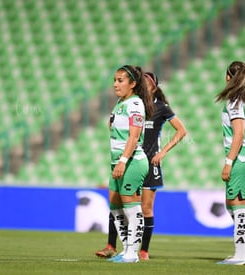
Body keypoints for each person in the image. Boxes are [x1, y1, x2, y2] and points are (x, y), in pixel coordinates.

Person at [95, 71, 187, 261]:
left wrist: (163, 152)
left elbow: (181, 130)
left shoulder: (158, 107)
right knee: (118, 203)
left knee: (143, 208)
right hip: (127, 159)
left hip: (143, 161)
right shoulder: (126, 103)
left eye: (147, 81)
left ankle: (140, 250)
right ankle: (117, 246)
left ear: (154, 86)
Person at [104, 65, 154, 263]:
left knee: (132, 208)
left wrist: (123, 161)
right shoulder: (120, 103)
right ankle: (126, 249)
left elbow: (134, 137)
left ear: (132, 84)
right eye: (115, 80)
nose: (115, 84)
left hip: (132, 162)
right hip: (117, 161)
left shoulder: (135, 104)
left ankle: (133, 253)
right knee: (115, 206)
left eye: (120, 80)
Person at [215, 61, 245, 265]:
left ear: (227, 77)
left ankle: (239, 255)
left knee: (238, 205)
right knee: (231, 204)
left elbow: (239, 133)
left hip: (240, 158)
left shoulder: (234, 100)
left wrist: (229, 162)